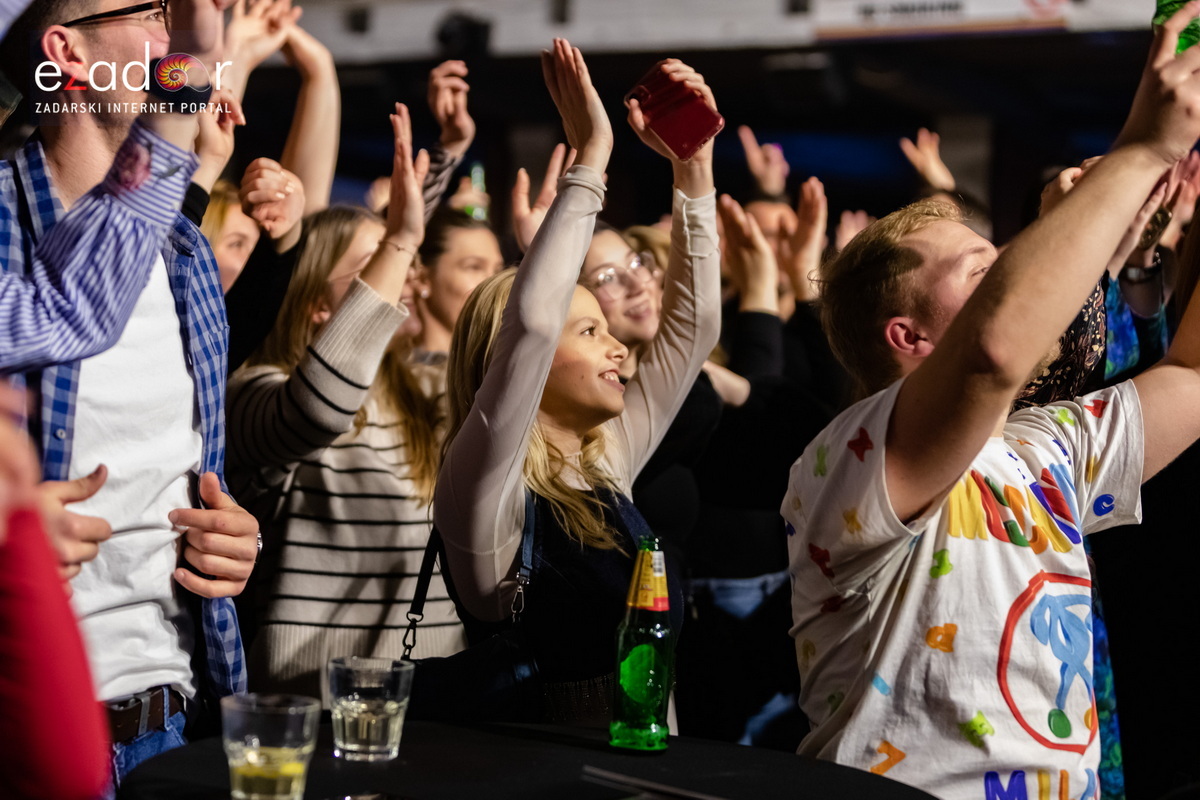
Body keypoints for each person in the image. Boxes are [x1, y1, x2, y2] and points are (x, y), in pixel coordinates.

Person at [782, 9, 1200, 798]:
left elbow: (1195, 377)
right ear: (910, 337)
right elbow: (992, 351)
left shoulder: (1044, 447)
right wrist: (1145, 145)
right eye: (980, 272)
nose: (1011, 277)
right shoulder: (851, 457)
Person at [1, 0, 261, 790]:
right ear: (66, 53)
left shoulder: (183, 252)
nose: (174, 28)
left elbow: (179, 472)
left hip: (171, 721)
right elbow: (75, 304)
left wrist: (232, 537)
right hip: (27, 730)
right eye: (152, 10)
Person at [435, 40, 720, 724]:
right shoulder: (484, 486)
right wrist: (591, 158)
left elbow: (695, 326)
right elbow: (532, 324)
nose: (619, 348)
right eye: (590, 330)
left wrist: (693, 170)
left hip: (643, 752)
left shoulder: (605, 465)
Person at [227, 104, 466, 698]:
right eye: (376, 267)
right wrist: (403, 237)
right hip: (310, 693)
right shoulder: (256, 389)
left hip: (441, 685)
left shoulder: (427, 385)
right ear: (319, 306)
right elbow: (321, 408)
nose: (404, 276)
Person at [411, 207, 505, 362]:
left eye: (497, 270)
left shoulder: (494, 367)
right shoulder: (399, 378)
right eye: (474, 267)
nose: (492, 282)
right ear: (422, 278)